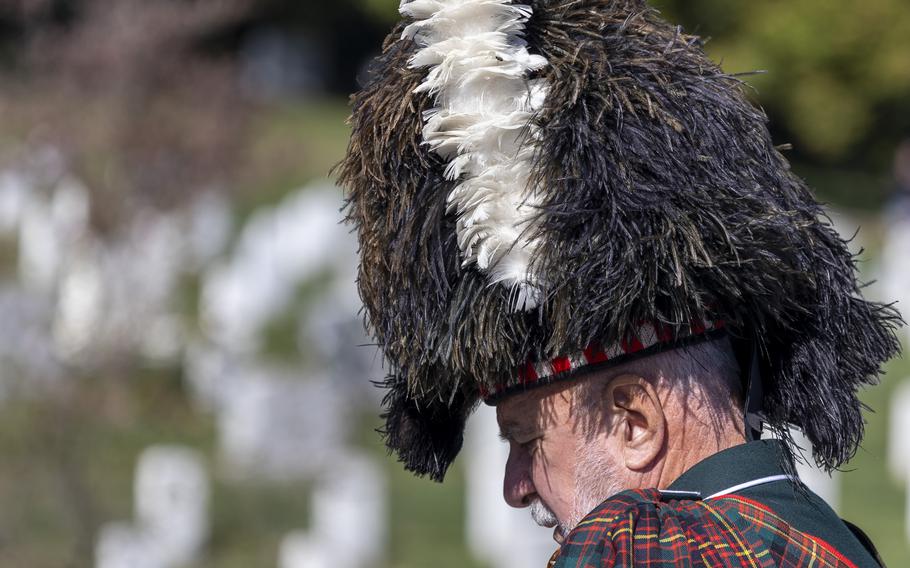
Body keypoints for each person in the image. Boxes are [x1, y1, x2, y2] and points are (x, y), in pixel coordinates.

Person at [338, 0, 901, 565]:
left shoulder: (636, 548)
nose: (515, 488)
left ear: (635, 422)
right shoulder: (833, 540)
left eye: (527, 439)